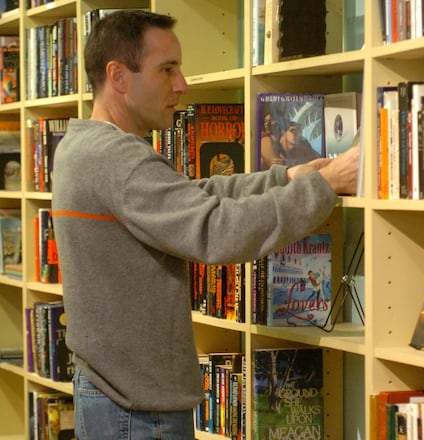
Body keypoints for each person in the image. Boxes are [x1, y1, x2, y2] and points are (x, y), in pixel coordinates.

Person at [50, 9, 361, 439]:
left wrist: (286, 177)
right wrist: (326, 185)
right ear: (118, 76)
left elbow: (188, 197)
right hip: (136, 412)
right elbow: (217, 230)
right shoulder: (117, 159)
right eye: (167, 70)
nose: (182, 84)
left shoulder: (81, 147)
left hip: (116, 397)